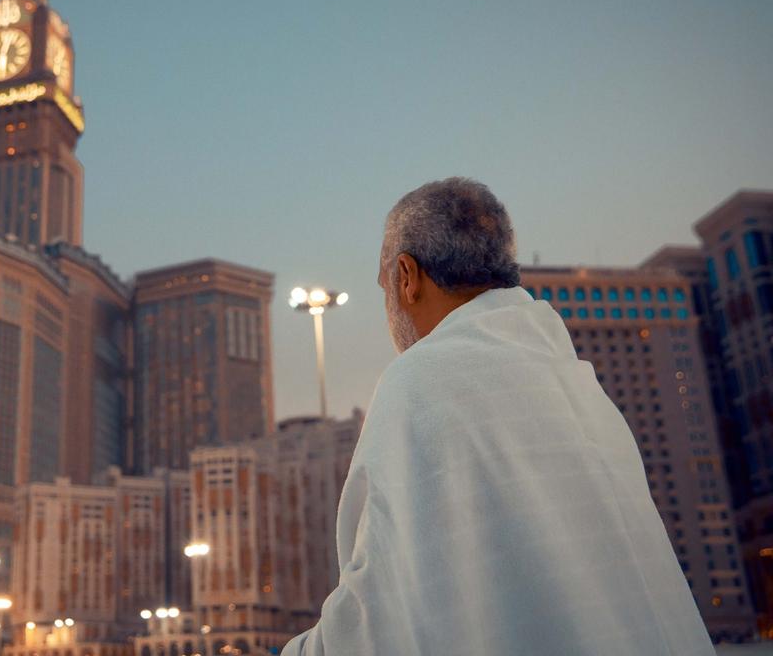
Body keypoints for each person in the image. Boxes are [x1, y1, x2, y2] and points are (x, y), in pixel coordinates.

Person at [281, 177, 713, 656]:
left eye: (385, 284)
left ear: (407, 276)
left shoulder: (420, 382)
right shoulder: (577, 381)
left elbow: (382, 612)